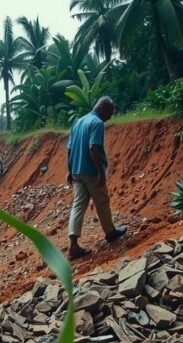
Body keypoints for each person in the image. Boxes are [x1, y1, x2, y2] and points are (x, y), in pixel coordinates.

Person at [66, 96, 127, 260]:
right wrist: (100, 172)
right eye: (111, 112)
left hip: (77, 171)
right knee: (102, 201)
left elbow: (69, 149)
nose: (110, 117)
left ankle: (73, 246)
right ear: (103, 109)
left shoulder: (78, 122)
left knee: (78, 205)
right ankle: (110, 232)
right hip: (91, 171)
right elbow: (93, 148)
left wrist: (70, 170)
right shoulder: (97, 123)